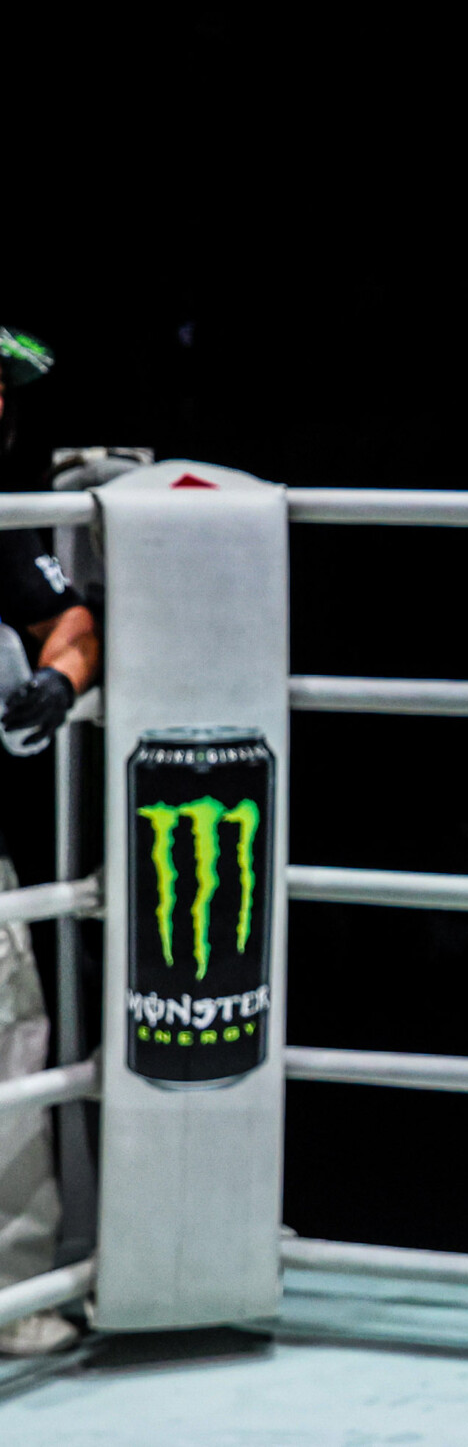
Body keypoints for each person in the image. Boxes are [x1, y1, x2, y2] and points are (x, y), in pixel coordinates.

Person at [0, 327, 100, 1359]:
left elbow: (65, 622)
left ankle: (19, 1294)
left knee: (12, 1056)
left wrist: (57, 682)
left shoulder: (6, 520)